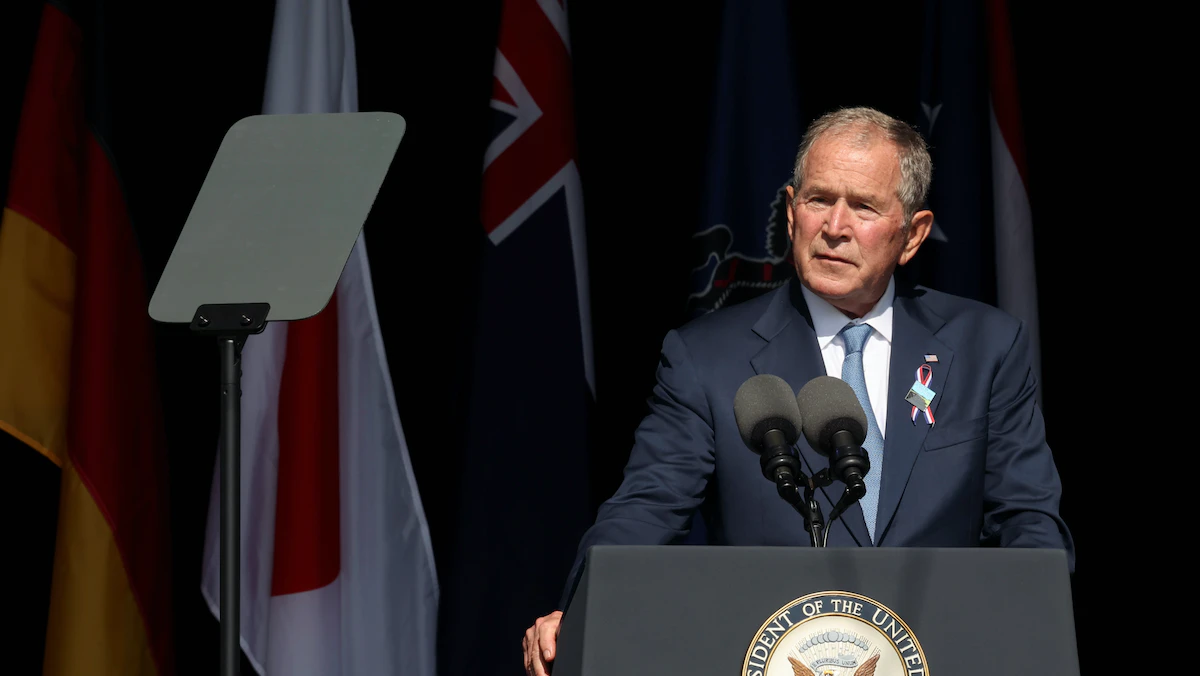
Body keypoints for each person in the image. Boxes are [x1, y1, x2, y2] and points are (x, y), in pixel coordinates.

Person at [521, 106, 1073, 676]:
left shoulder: (986, 347)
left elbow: (1028, 521)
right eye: (819, 200)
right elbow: (644, 510)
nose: (835, 226)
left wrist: (1030, 632)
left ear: (912, 235)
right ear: (790, 213)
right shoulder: (707, 358)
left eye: (863, 207)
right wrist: (581, 609)